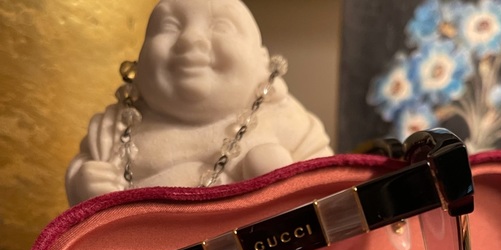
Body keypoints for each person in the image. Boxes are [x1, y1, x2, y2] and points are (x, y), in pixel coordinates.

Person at [65, 0, 333, 205]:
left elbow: (329, 184)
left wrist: (286, 182)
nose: (190, 39)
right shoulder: (116, 126)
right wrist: (85, 185)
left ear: (262, 62)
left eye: (221, 26)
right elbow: (86, 168)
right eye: (170, 26)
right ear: (140, 62)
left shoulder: (285, 120)